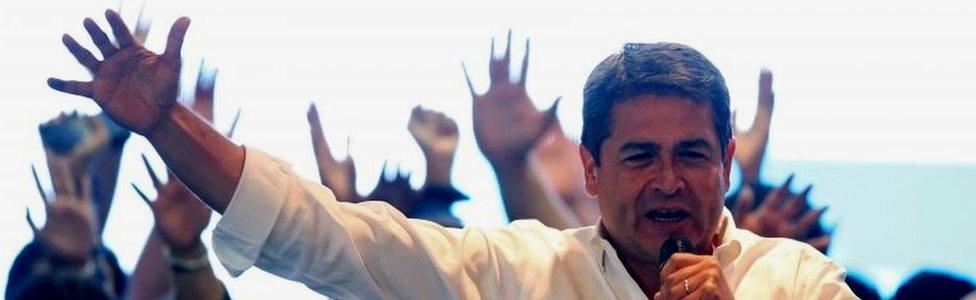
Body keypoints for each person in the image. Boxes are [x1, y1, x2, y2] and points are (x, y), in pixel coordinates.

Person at [47, 11, 856, 298]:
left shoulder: (796, 283)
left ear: (726, 160)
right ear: (590, 168)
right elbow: (319, 233)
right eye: (641, 156)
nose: (671, 181)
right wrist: (166, 127)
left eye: (693, 155)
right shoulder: (514, 276)